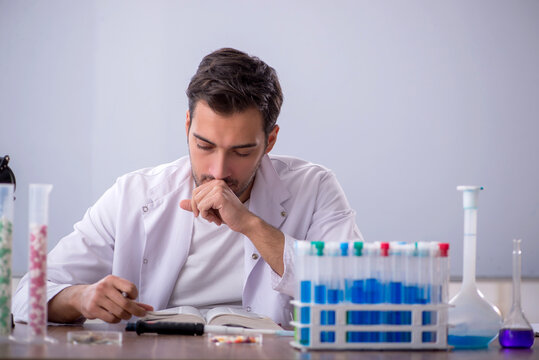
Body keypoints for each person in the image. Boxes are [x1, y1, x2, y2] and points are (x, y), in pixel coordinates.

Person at [13, 48, 362, 328]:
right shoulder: (133, 195)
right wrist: (80, 298)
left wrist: (251, 225)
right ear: (187, 126)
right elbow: (27, 294)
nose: (218, 171)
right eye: (205, 146)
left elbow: (354, 293)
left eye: (241, 151)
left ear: (270, 141)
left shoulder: (314, 187)